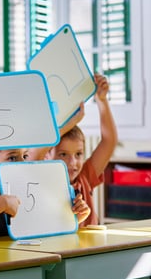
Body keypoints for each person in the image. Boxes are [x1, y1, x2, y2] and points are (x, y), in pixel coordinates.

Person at [0, 148, 91, 243]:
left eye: (25, 156)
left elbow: (41, 232)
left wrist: (73, 219)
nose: (23, 164)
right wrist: (0, 204)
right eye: (13, 158)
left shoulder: (30, 196)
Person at [45, 73, 117, 227]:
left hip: (92, 247)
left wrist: (102, 101)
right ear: (46, 155)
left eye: (78, 154)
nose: (73, 163)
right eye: (63, 154)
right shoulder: (42, 183)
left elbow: (109, 141)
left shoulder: (84, 176)